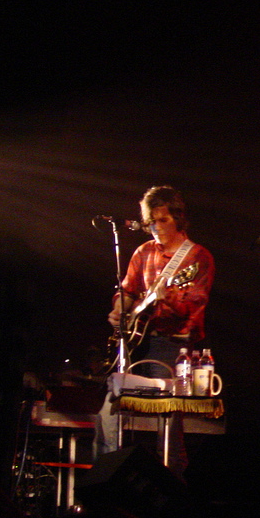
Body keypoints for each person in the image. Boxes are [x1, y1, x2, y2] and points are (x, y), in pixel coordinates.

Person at [94, 185, 215, 473]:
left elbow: (193, 305)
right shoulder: (143, 251)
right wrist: (120, 310)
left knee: (169, 424)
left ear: (178, 219)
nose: (156, 227)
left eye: (163, 220)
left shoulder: (197, 257)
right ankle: (108, 476)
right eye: (151, 222)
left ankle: (171, 482)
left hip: (173, 347)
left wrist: (168, 297)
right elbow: (127, 290)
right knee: (108, 413)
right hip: (136, 345)